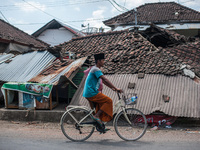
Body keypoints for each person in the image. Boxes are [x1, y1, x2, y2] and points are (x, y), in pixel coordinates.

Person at [83, 53, 123, 127]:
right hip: (92, 93)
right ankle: (96, 116)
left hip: (90, 92)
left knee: (101, 104)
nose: (104, 62)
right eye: (103, 60)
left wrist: (114, 89)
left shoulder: (95, 69)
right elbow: (105, 79)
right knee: (108, 101)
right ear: (98, 61)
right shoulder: (96, 69)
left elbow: (104, 82)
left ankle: (99, 123)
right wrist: (116, 88)